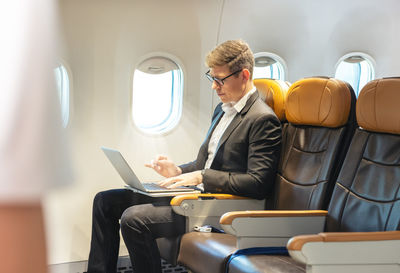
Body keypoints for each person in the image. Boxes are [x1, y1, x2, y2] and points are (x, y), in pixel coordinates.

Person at [87, 39, 282, 273]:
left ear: (244, 75)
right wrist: (178, 172)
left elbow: (258, 183)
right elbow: (203, 165)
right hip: (197, 196)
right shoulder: (222, 109)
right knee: (105, 202)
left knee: (134, 219)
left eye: (220, 79)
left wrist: (202, 177)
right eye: (212, 78)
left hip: (220, 206)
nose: (214, 86)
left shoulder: (262, 119)